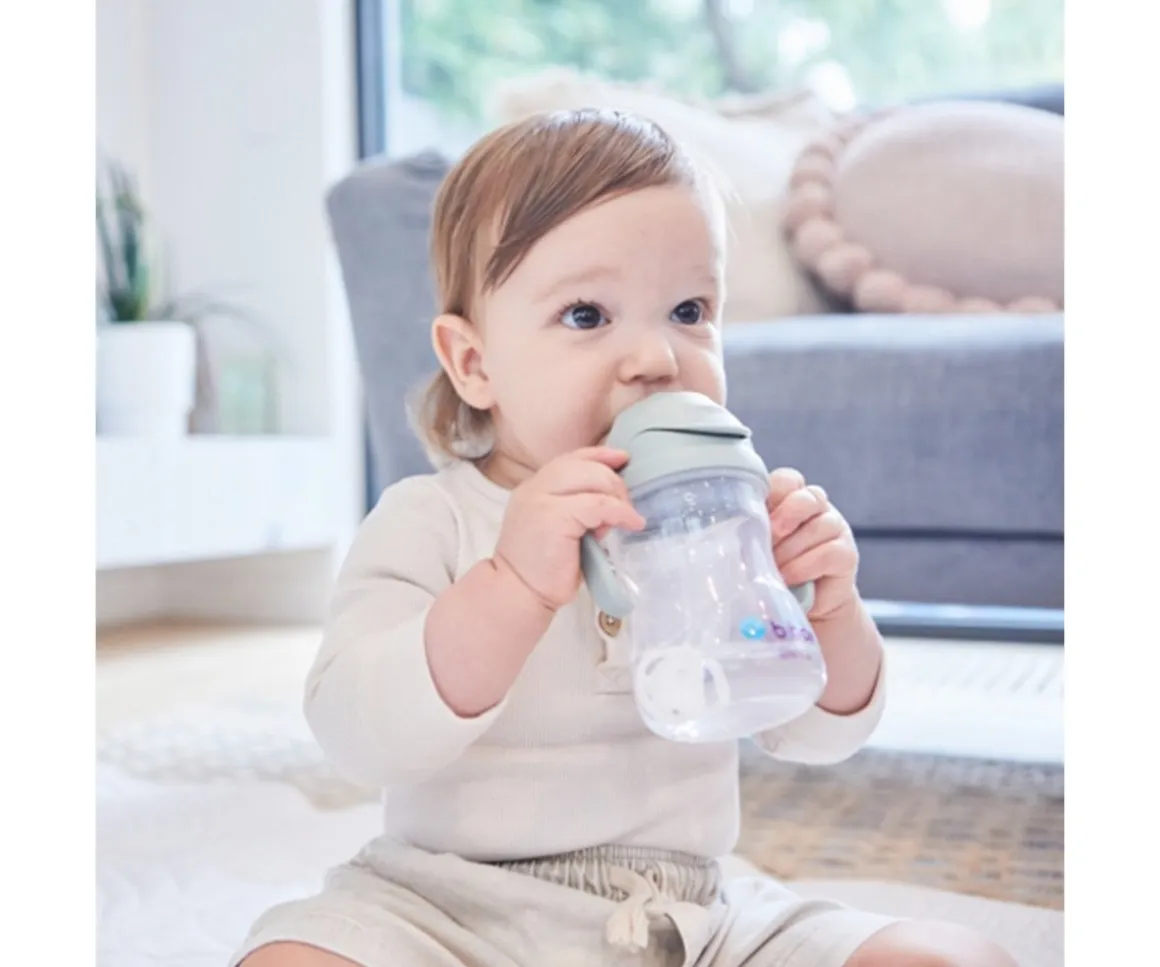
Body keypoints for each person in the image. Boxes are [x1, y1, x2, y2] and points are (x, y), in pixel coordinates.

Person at [234, 108, 1016, 967]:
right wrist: (508, 587)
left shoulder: (725, 518)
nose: (655, 357)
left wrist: (829, 612)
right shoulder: (433, 519)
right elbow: (357, 734)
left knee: (948, 957)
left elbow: (819, 736)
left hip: (688, 916)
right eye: (586, 315)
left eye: (688, 309)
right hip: (449, 908)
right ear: (474, 363)